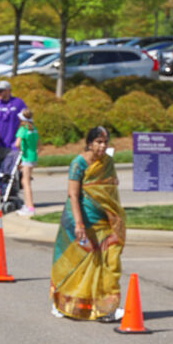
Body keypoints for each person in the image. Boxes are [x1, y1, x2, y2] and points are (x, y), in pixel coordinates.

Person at [50, 125, 125, 321]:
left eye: (105, 142)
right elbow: (73, 195)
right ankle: (62, 303)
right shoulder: (78, 164)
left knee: (109, 262)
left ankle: (106, 307)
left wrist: (114, 216)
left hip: (103, 220)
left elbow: (111, 189)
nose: (102, 146)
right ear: (89, 143)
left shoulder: (107, 162)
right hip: (79, 218)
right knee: (75, 264)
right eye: (98, 142)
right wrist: (79, 224)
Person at [0, 80, 26, 149]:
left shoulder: (18, 103)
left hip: (14, 143)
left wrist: (20, 136)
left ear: (8, 91)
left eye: (1, 91)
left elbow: (25, 120)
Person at [14, 108, 38, 216]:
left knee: (25, 182)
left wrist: (21, 150)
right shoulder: (34, 129)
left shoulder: (22, 129)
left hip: (26, 157)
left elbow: (17, 143)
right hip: (33, 157)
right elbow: (38, 144)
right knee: (26, 181)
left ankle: (30, 206)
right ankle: (28, 205)